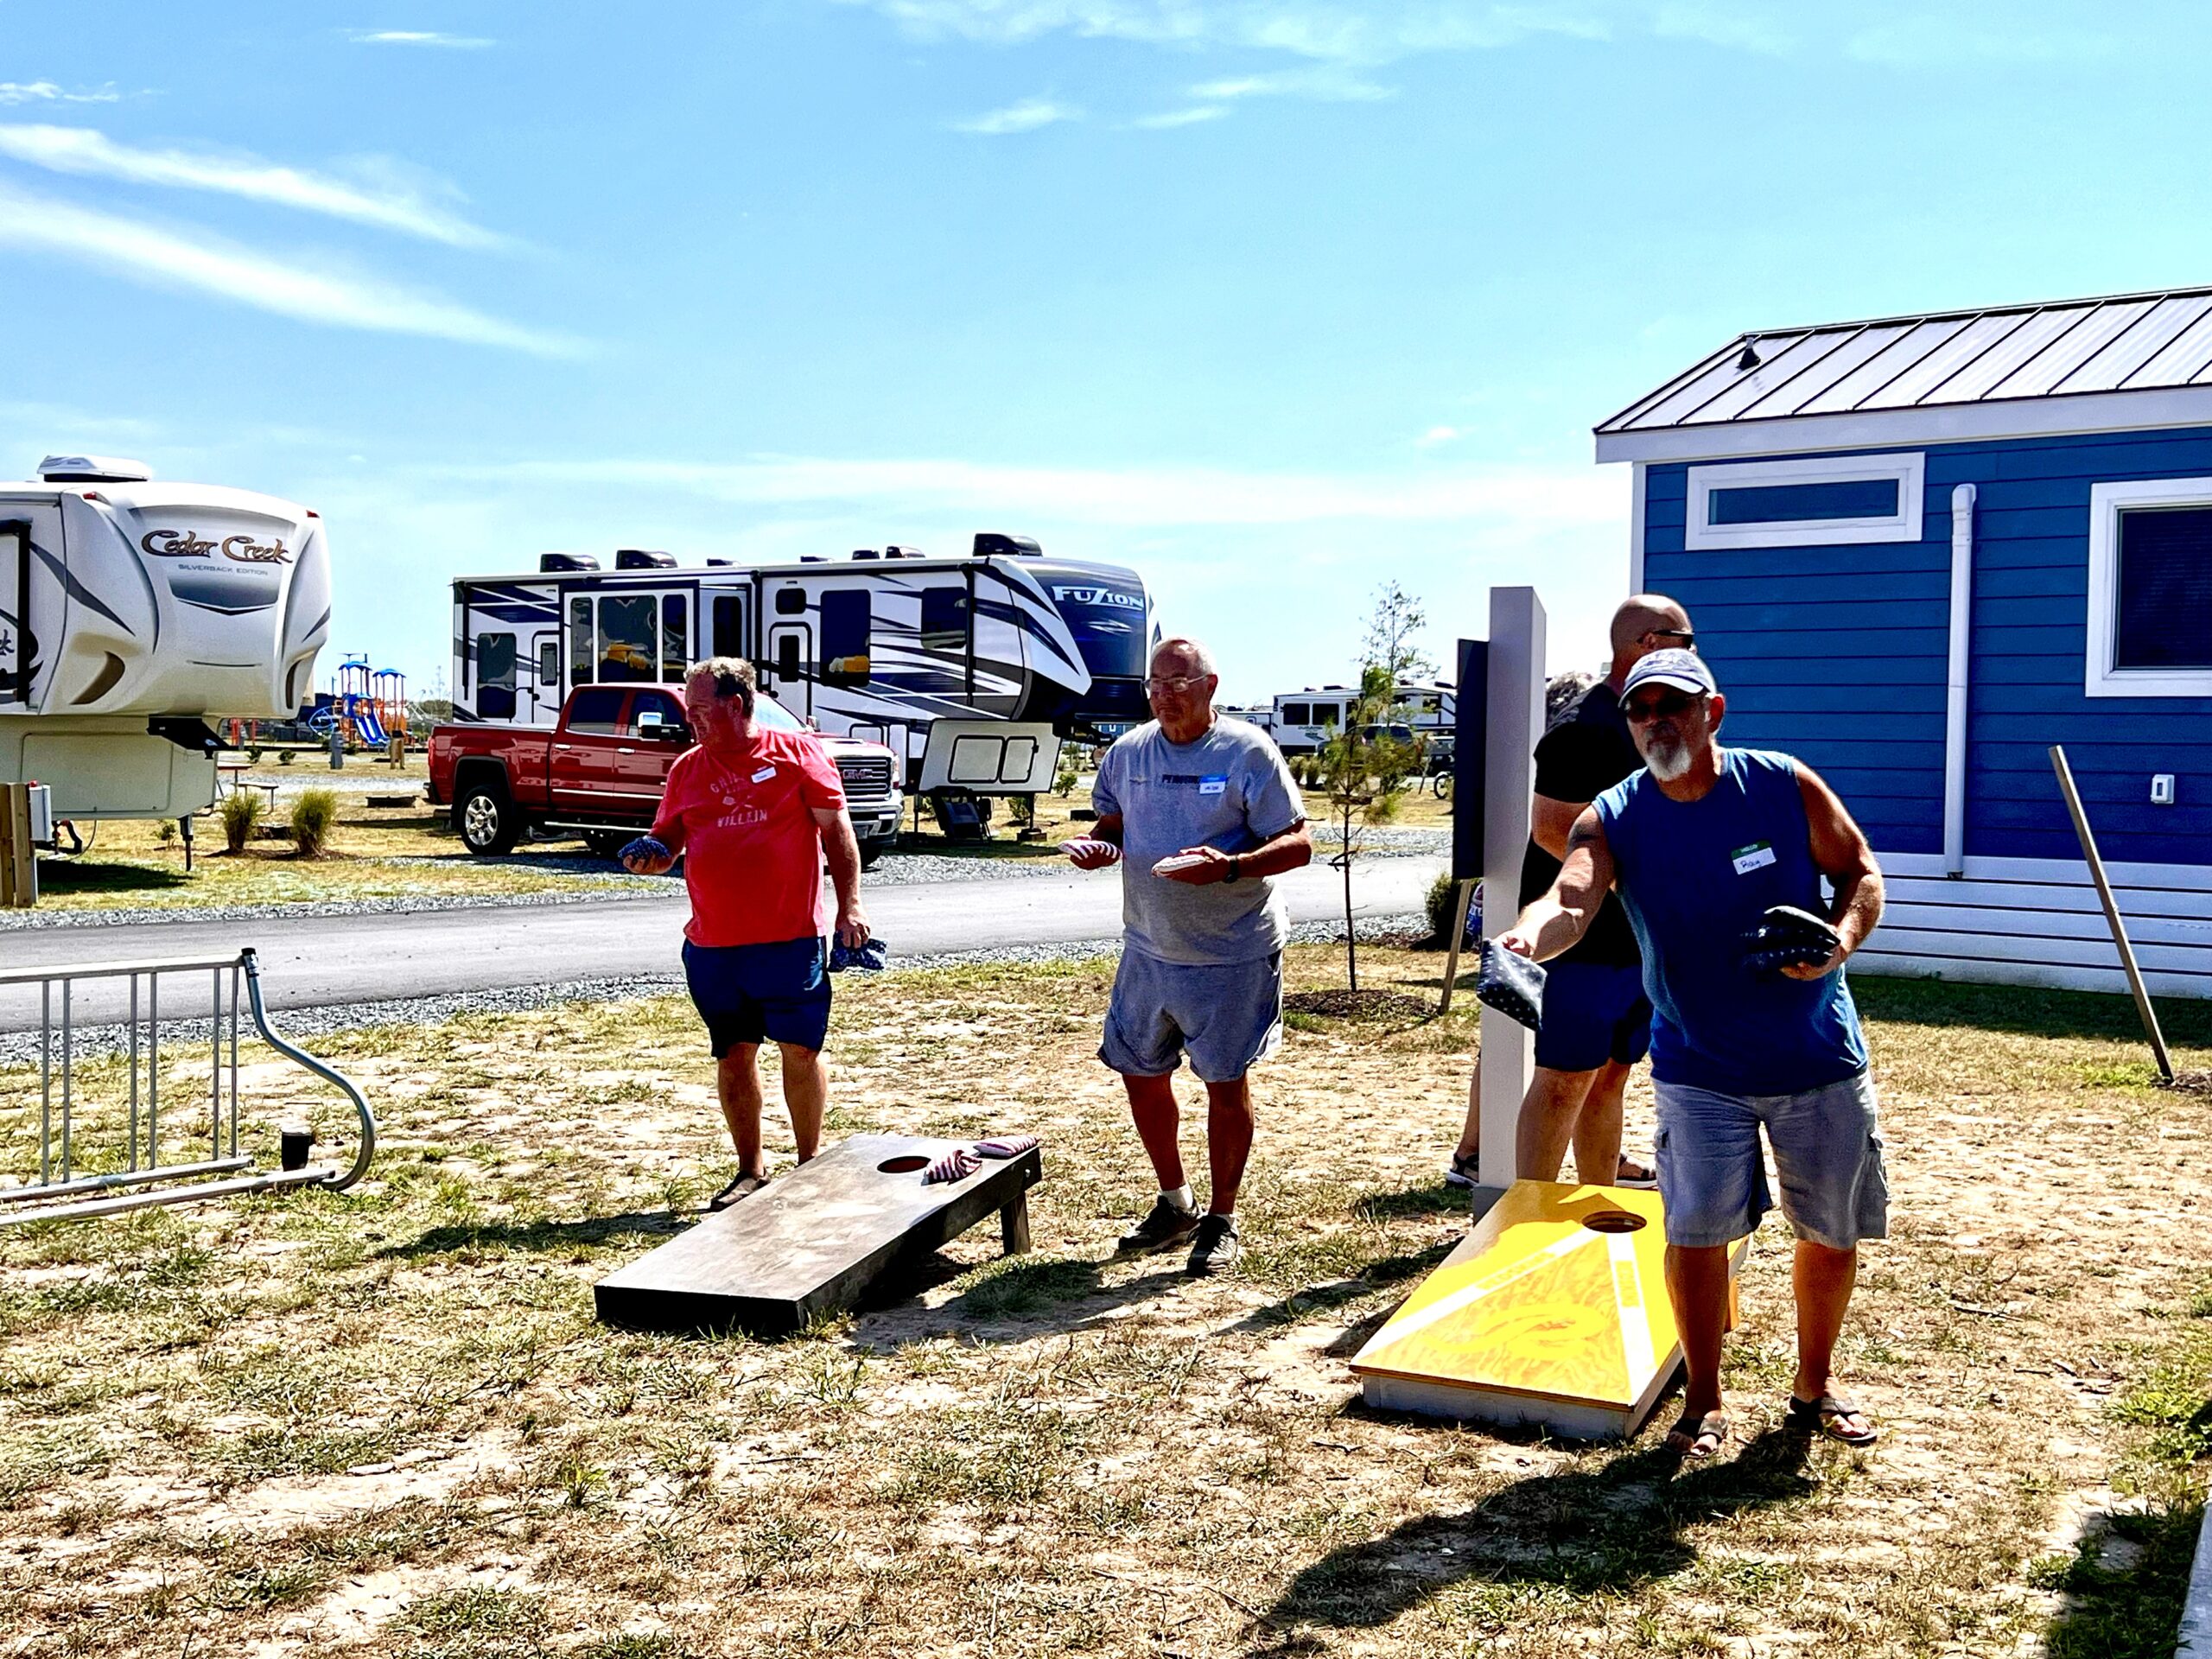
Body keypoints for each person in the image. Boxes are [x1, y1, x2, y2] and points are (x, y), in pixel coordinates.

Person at [1497, 648, 1887, 1459]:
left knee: (1829, 1232)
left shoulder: (1780, 783)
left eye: (1674, 706)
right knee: (1698, 1232)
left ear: (1713, 711)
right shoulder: (1612, 815)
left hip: (1816, 1057)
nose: (1655, 722)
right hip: (1698, 1067)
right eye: (1642, 711)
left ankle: (1813, 1387)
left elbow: (1859, 871)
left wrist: (1840, 941)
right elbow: (1573, 896)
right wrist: (1528, 937)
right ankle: (1704, 1402)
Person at [1067, 638, 1313, 1274]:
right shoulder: (1128, 753)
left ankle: (1223, 1219)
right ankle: (1176, 1204)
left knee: (1224, 1082)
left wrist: (1229, 866)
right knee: (1139, 1073)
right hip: (1148, 947)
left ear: (1210, 685)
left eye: (1179, 681)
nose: (1164, 694)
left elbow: (1298, 844)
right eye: (1155, 683)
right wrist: (1099, 847)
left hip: (1232, 953)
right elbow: (1113, 824)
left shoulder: (1246, 751)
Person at [1446, 595, 1696, 1192]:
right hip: (1579, 944)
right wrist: (1637, 883)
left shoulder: (1659, 722)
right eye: (1684, 640)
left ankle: (1596, 1206)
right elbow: (1554, 828)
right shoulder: (1586, 725)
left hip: (1635, 941)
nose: (1693, 653)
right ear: (1649, 644)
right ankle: (1528, 1217)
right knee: (1564, 1079)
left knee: (1611, 1076)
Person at [623, 658, 872, 1209]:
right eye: (690, 713)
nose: (692, 723)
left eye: (701, 712)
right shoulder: (687, 769)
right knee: (733, 1054)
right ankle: (750, 1170)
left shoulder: (799, 755)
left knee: (800, 1050)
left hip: (788, 940)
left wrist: (849, 907)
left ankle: (809, 1165)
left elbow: (838, 834)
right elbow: (666, 840)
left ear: (736, 706)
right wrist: (650, 857)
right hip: (713, 946)